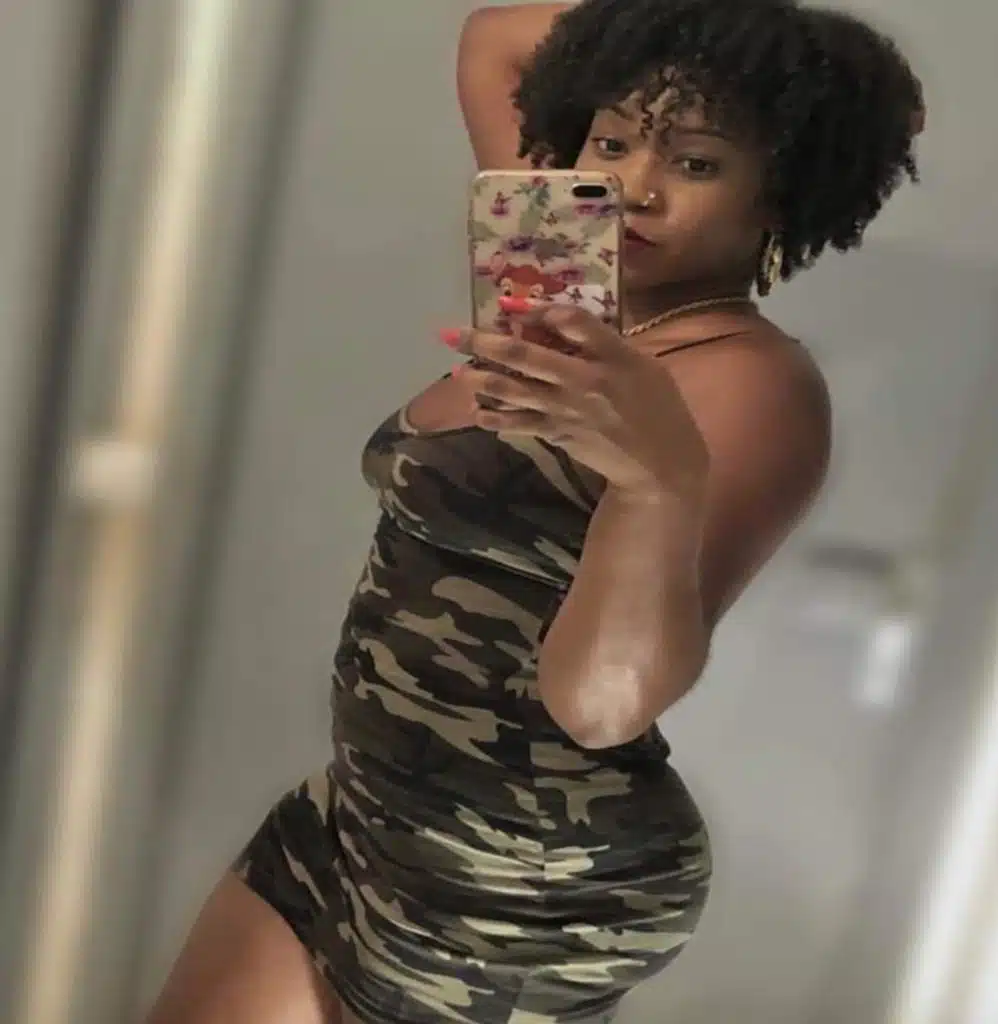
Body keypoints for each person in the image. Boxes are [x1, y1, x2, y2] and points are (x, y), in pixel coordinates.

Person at [145, 2, 924, 1022]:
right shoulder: (554, 272)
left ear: (780, 187)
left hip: (522, 882)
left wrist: (654, 485)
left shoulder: (752, 383)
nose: (633, 187)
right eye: (612, 142)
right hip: (368, 809)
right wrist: (713, 33)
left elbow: (600, 707)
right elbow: (498, 39)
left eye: (697, 164)